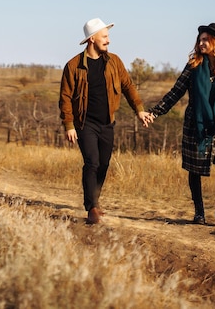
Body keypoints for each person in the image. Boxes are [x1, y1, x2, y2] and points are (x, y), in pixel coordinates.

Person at [147, 23, 215, 225]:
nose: (201, 43)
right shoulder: (193, 66)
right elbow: (176, 92)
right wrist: (155, 112)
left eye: (206, 39)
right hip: (196, 123)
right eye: (200, 40)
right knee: (194, 168)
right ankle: (199, 212)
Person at [59, 17, 152, 224]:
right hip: (85, 124)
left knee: (104, 164)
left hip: (107, 122)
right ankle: (91, 207)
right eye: (104, 36)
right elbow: (65, 97)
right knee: (91, 162)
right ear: (92, 39)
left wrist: (139, 110)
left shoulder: (114, 62)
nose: (108, 40)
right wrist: (69, 125)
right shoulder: (73, 66)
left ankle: (95, 200)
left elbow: (128, 86)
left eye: (108, 36)